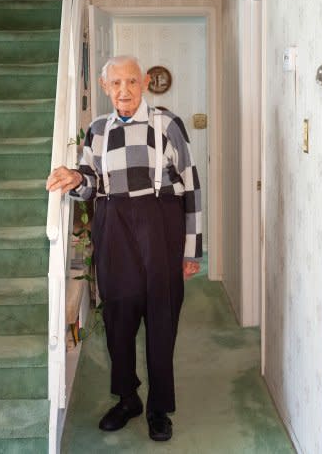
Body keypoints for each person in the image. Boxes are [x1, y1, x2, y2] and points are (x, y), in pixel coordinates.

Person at [46, 55, 202, 442]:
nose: (124, 91)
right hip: (113, 226)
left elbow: (190, 185)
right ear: (104, 87)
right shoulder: (97, 130)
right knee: (117, 318)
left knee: (161, 321)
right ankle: (128, 398)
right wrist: (73, 177)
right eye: (116, 84)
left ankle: (159, 409)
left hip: (160, 224)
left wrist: (191, 249)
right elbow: (91, 183)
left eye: (131, 82)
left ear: (144, 82)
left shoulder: (168, 124)